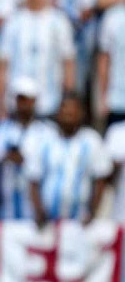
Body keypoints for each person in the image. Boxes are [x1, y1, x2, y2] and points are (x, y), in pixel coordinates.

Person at [0, 0, 75, 119]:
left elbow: (68, 63)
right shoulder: (13, 22)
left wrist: (66, 100)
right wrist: (1, 105)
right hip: (17, 103)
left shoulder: (59, 22)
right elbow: (3, 64)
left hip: (50, 103)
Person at [25, 94, 113, 226]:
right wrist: (39, 211)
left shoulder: (92, 141)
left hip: (80, 221)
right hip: (49, 222)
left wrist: (92, 212)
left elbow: (100, 179)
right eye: (64, 109)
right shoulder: (44, 140)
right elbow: (33, 178)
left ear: (81, 113)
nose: (68, 113)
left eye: (73, 110)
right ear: (57, 113)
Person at [0, 77, 51, 220]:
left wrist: (26, 161)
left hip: (37, 210)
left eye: (29, 100)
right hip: (7, 209)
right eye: (21, 99)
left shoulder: (46, 132)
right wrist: (7, 155)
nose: (24, 105)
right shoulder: (2, 129)